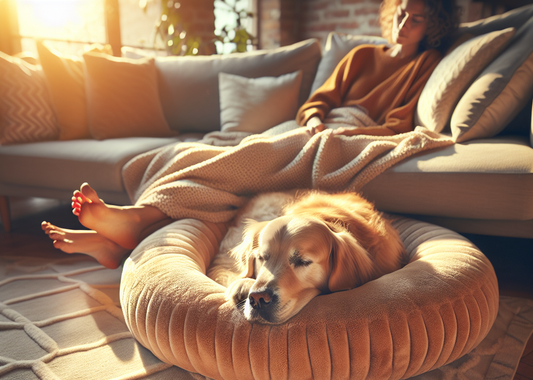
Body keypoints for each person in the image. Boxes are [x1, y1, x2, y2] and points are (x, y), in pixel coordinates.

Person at [42, 0, 460, 269]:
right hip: (314, 127)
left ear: (433, 25)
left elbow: (398, 125)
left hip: (352, 133)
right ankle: (122, 242)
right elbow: (317, 100)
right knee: (194, 154)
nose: (404, 22)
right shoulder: (361, 55)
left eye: (417, 17)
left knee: (244, 160)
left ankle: (137, 224)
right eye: (401, 11)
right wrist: (314, 118)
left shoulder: (427, 63)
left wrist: (343, 129)